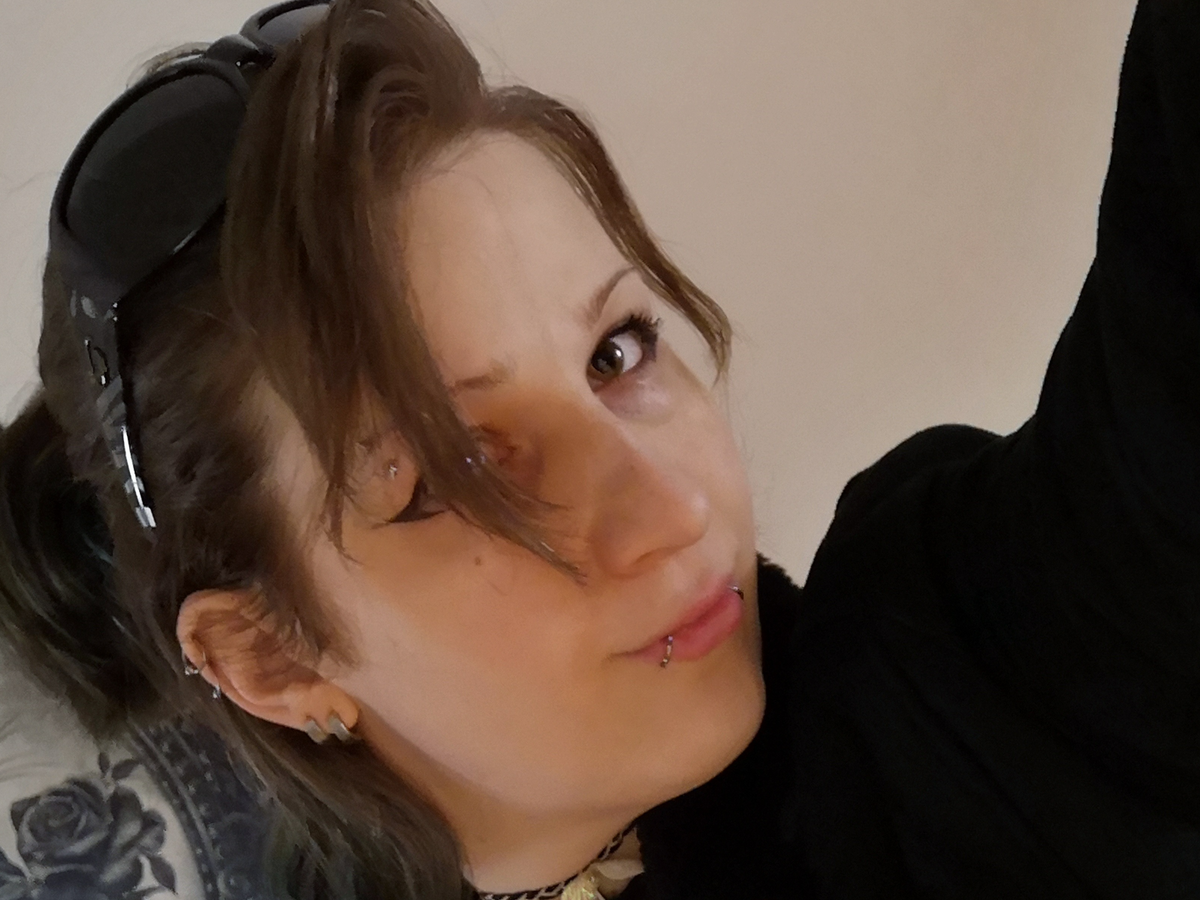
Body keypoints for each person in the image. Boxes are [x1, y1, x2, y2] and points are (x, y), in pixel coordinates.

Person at [0, 1, 1194, 899]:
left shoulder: (958, 687)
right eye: (455, 471)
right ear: (269, 654)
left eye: (618, 353)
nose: (676, 511)